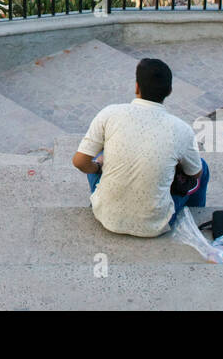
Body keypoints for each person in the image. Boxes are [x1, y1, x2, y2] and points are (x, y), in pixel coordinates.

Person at [71, 57, 210, 237]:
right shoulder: (182, 130)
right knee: (203, 167)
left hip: (106, 216)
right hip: (155, 225)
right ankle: (195, 217)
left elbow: (80, 162)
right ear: (169, 91)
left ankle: (106, 196)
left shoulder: (109, 114)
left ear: (137, 87)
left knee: (99, 150)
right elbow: (195, 174)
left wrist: (99, 165)